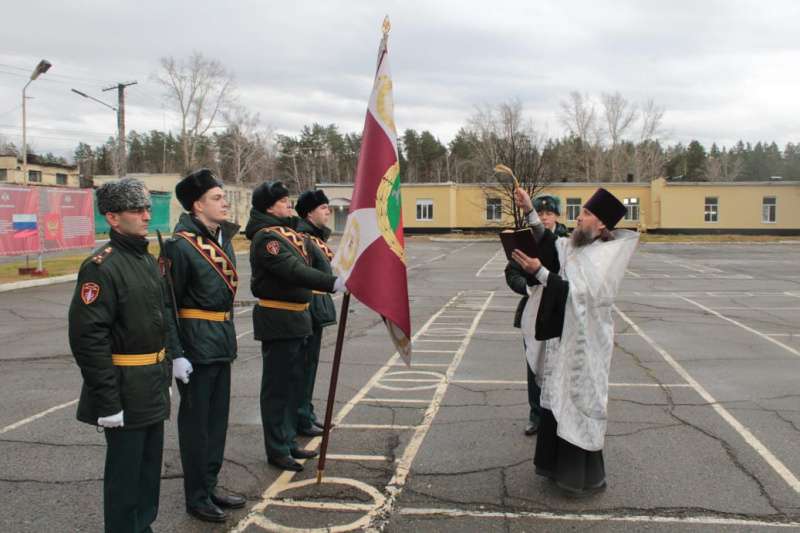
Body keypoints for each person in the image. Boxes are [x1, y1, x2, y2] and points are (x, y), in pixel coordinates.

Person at [511, 187, 638, 498]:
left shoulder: (606, 256)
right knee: (557, 397)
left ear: (602, 224)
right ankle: (554, 467)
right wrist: (529, 210)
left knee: (578, 400)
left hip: (586, 346)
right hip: (565, 340)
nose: (578, 217)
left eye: (586, 214)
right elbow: (553, 245)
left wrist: (538, 272)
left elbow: (580, 295)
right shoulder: (580, 246)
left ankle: (580, 477)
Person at [68, 177, 172, 533]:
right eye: (136, 210)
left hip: (150, 383)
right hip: (124, 388)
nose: (146, 216)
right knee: (124, 481)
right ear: (113, 218)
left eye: (147, 209)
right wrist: (108, 402)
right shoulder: (101, 266)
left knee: (147, 475)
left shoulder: (145, 259)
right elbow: (89, 340)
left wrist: (166, 373)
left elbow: (160, 324)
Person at [245, 181, 345, 472]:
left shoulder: (290, 234)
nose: (289, 204)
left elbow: (320, 264)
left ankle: (287, 440)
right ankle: (276, 448)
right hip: (278, 319)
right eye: (283, 201)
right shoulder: (267, 239)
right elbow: (294, 271)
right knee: (277, 389)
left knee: (292, 386)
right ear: (268, 207)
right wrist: (333, 283)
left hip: (297, 319)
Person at [163, 169, 245, 522]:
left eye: (222, 196)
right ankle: (196, 496)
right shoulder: (180, 246)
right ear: (197, 206)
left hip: (220, 344)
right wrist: (176, 355)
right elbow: (166, 304)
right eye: (216, 197)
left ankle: (209, 485)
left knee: (216, 423)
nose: (224, 201)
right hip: (195, 350)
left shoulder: (220, 240)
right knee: (196, 427)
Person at [504, 194, 568, 436]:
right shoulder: (525, 240)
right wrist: (527, 287)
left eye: (549, 213)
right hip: (534, 311)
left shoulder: (566, 241)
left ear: (557, 216)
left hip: (560, 309)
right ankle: (536, 414)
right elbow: (512, 272)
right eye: (540, 214)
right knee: (534, 364)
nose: (544, 217)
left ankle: (558, 414)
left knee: (560, 366)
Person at [294, 189, 337, 438]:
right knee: (303, 365)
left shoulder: (315, 237)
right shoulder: (303, 238)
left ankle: (306, 413)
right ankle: (301, 416)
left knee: (310, 365)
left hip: (317, 310)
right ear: (309, 212)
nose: (328, 211)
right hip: (308, 309)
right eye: (323, 208)